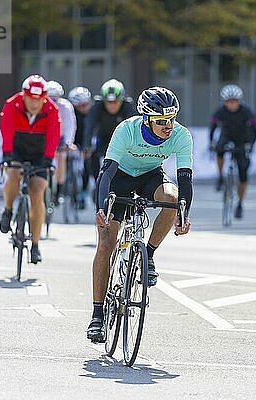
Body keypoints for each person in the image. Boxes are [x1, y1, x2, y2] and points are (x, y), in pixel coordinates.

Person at [86, 86, 193, 342]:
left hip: (150, 176)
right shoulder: (127, 130)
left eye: (172, 119)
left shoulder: (181, 135)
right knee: (106, 244)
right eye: (161, 121)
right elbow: (107, 172)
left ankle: (150, 254)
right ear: (147, 119)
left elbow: (185, 178)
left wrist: (183, 213)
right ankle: (97, 315)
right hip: (119, 178)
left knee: (171, 198)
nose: (168, 126)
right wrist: (102, 208)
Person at [0, 75, 61, 264]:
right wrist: (7, 155)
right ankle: (8, 210)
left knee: (37, 191)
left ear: (44, 98)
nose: (34, 104)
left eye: (38, 100)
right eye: (31, 99)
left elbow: (53, 135)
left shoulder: (51, 109)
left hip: (40, 153)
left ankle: (35, 244)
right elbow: (6, 129)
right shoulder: (12, 105)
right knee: (14, 174)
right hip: (17, 148)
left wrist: (49, 159)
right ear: (23, 96)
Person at [209, 84, 256, 219]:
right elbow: (212, 127)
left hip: (242, 139)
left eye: (234, 101)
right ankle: (220, 176)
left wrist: (251, 145)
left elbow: (254, 131)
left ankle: (240, 203)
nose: (232, 104)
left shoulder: (247, 111)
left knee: (243, 172)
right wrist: (211, 142)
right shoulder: (220, 111)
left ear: (239, 101)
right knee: (219, 150)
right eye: (229, 102)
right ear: (224, 102)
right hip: (226, 136)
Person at [83, 79, 136, 184]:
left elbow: (133, 129)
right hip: (103, 138)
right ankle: (97, 183)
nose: (112, 105)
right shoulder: (97, 106)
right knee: (92, 154)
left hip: (123, 140)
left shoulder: (127, 107)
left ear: (122, 99)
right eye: (108, 102)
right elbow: (89, 126)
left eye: (115, 102)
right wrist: (87, 145)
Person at [47, 80, 77, 203]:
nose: (53, 101)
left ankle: (59, 189)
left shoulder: (65, 106)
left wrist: (68, 142)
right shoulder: (42, 106)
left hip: (61, 137)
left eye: (55, 98)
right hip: (46, 137)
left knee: (61, 157)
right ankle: (46, 184)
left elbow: (70, 125)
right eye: (50, 97)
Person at [68, 86, 93, 208]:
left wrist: (88, 148)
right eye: (80, 106)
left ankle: (83, 193)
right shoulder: (71, 113)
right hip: (73, 140)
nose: (84, 108)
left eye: (85, 105)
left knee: (87, 164)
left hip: (86, 142)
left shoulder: (92, 113)